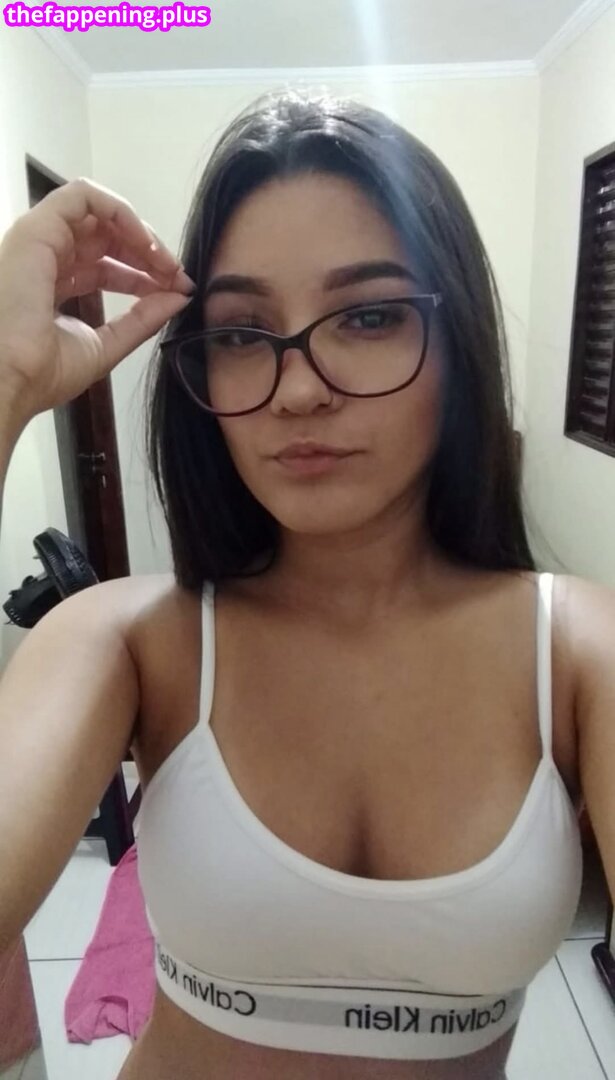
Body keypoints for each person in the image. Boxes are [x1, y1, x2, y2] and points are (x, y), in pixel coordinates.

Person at [0, 88, 614, 1080]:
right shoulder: (126, 639)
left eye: (367, 316)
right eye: (242, 333)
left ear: (458, 341)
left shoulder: (580, 652)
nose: (297, 389)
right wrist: (2, 382)